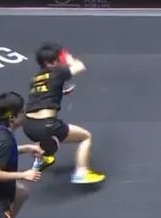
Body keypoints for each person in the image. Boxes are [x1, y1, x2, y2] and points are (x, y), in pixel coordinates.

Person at [22, 43, 105, 185]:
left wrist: (61, 92)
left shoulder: (35, 78)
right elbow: (80, 66)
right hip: (47, 125)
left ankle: (41, 161)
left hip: (29, 126)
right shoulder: (57, 72)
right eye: (58, 59)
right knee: (85, 137)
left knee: (44, 138)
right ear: (51, 61)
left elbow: (41, 95)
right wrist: (68, 58)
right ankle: (81, 173)